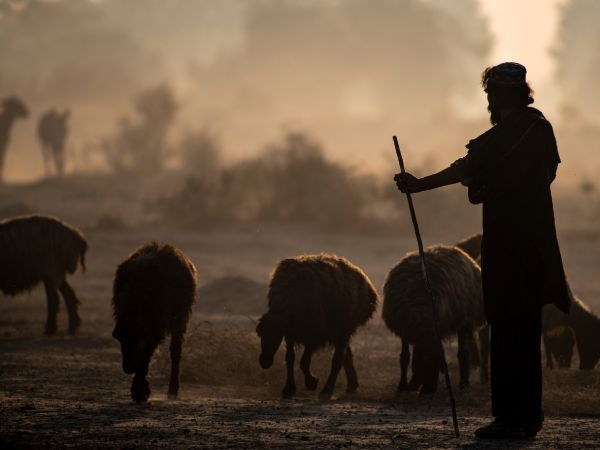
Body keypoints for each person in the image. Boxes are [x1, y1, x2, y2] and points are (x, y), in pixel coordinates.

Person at [395, 62, 571, 439]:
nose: (489, 98)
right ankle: (528, 416)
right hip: (533, 245)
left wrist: (418, 185)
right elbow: (538, 174)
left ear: (503, 94)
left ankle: (510, 418)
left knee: (508, 331)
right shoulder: (538, 131)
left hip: (510, 247)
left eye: (492, 92)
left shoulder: (507, 137)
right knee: (522, 332)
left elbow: (465, 170)